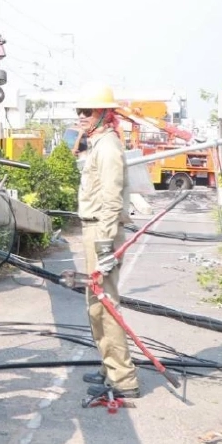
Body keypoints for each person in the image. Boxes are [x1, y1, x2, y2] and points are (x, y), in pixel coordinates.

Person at [75, 85, 141, 400]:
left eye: (87, 111)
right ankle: (109, 366)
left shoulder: (108, 147)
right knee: (95, 306)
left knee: (105, 304)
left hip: (103, 231)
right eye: (79, 111)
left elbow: (112, 199)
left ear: (103, 113)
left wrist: (103, 246)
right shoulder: (98, 144)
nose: (81, 117)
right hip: (94, 230)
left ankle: (123, 378)